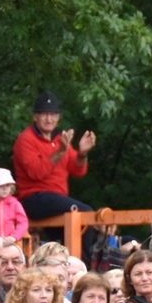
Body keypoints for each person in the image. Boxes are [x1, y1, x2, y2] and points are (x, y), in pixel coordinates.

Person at [12, 90, 95, 219]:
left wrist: (82, 154)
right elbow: (36, 172)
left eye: (53, 115)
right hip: (34, 199)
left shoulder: (60, 138)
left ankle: (106, 233)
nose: (49, 119)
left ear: (58, 118)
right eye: (44, 114)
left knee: (87, 221)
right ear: (35, 117)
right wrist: (60, 151)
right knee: (86, 214)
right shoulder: (26, 139)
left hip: (57, 200)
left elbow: (77, 171)